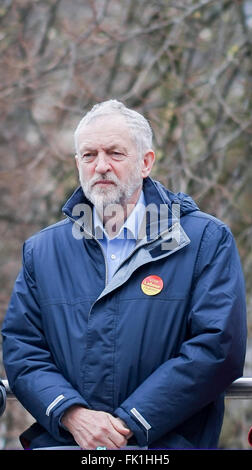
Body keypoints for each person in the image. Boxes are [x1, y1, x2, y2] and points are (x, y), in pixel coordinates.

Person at [2, 100, 247, 450]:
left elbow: (217, 347)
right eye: (89, 156)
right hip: (65, 445)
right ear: (77, 165)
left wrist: (132, 422)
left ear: (146, 162)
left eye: (115, 153)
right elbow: (22, 348)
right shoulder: (43, 251)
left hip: (165, 446)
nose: (100, 166)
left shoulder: (204, 240)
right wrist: (72, 414)